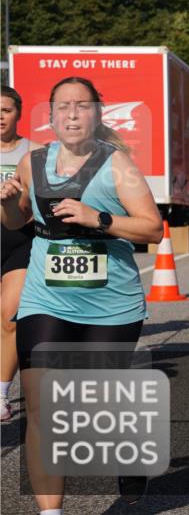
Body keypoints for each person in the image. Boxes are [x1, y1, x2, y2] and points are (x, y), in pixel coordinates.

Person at [0, 76, 163, 510]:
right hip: (46, 298)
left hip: (110, 305)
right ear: (51, 116)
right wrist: (6, 201)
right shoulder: (32, 163)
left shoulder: (117, 166)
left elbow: (152, 228)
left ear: (97, 113)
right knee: (42, 410)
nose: (72, 114)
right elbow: (16, 223)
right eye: (63, 107)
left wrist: (98, 218)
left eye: (82, 106)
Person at [0, 86, 38, 422]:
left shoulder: (34, 153)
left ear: (18, 114)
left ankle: (1, 394)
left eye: (6, 110)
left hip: (20, 237)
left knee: (10, 317)